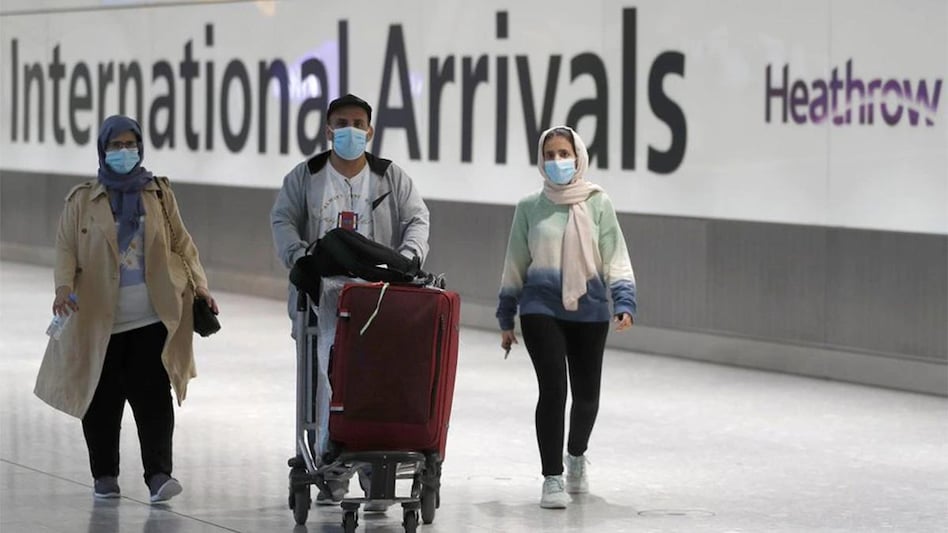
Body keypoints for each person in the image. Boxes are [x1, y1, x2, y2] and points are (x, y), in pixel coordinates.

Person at [33, 115, 218, 504]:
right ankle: (105, 475)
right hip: (98, 320)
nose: (124, 151)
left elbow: (183, 245)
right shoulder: (82, 200)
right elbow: (66, 249)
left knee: (154, 400)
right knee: (101, 402)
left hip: (151, 317)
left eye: (130, 144)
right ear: (103, 150)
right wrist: (63, 287)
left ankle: (159, 475)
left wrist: (200, 286)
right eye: (115, 145)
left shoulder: (159, 194)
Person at [270, 93, 430, 507]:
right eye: (342, 123)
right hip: (321, 295)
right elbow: (283, 219)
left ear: (370, 131)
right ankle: (329, 463)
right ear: (328, 130)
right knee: (322, 380)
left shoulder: (389, 177)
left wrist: (408, 258)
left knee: (376, 382)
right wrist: (300, 258)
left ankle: (374, 468)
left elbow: (417, 218)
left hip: (377, 299)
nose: (350, 131)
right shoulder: (306, 176)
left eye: (358, 124)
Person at [496, 125, 637, 509]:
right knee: (554, 389)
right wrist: (507, 316)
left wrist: (624, 301)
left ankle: (575, 455)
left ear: (578, 157)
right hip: (540, 307)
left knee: (587, 396)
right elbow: (515, 263)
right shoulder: (529, 207)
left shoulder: (598, 203)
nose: (557, 161)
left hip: (590, 309)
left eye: (564, 153)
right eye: (550, 155)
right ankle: (552, 478)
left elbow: (615, 255)